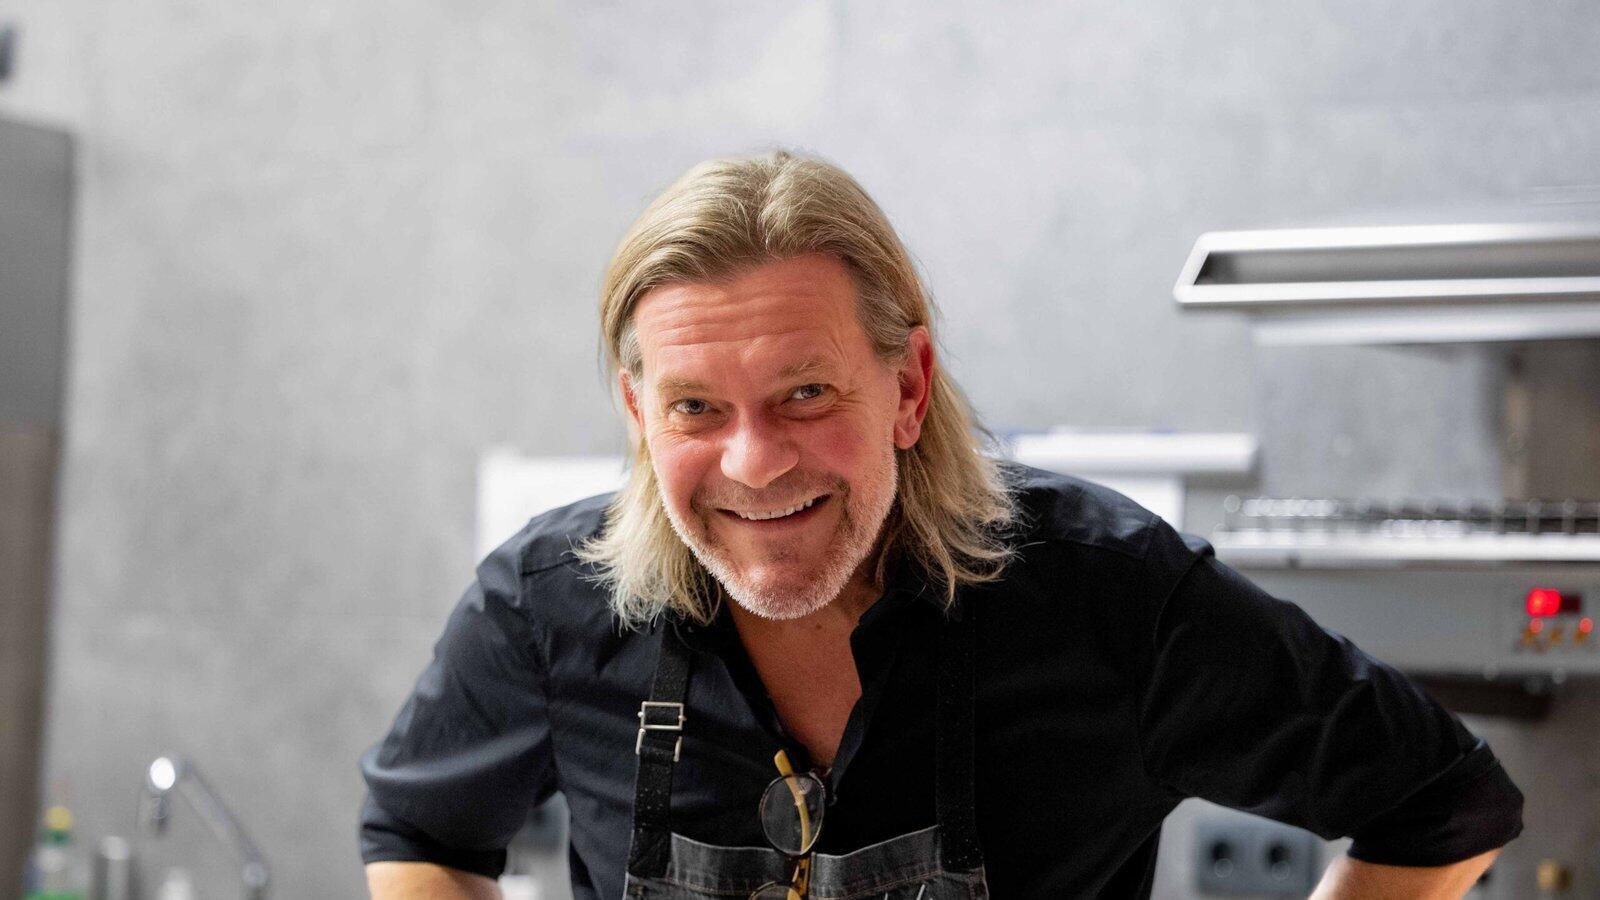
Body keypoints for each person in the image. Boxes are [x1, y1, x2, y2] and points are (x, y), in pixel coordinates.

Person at [359, 151, 1523, 899]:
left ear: (908, 387)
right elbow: (419, 829)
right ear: (637, 413)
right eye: (696, 409)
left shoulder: (1109, 596)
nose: (754, 462)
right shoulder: (547, 599)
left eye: (805, 393)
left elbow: (1439, 802)